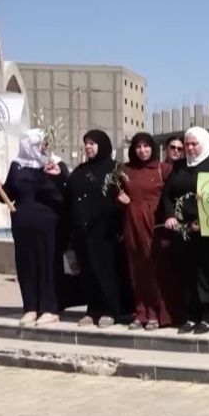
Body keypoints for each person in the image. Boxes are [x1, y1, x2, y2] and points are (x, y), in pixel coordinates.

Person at [0, 129, 68, 326]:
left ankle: (50, 308)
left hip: (48, 223)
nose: (42, 147)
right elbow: (8, 195)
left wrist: (57, 176)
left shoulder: (55, 163)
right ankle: (30, 307)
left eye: (44, 144)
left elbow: (67, 191)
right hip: (22, 223)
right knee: (26, 265)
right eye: (38, 144)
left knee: (48, 264)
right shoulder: (17, 166)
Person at [162, 126, 209, 335]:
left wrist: (202, 221)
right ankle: (191, 316)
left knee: (207, 274)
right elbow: (167, 195)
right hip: (183, 232)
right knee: (187, 274)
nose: (190, 148)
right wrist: (170, 216)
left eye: (194, 144)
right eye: (187, 144)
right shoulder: (179, 167)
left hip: (208, 232)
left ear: (204, 144)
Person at [116, 132, 178, 330]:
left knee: (154, 269)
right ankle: (140, 311)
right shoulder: (125, 170)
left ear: (153, 148)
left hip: (153, 223)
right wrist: (118, 197)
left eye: (146, 146)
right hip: (132, 223)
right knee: (136, 269)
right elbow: (113, 192)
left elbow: (172, 196)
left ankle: (154, 313)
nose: (142, 151)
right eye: (138, 147)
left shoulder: (163, 169)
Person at [69, 129, 125, 328]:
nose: (88, 147)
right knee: (88, 272)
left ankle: (111, 310)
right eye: (86, 143)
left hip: (107, 231)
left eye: (92, 143)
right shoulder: (80, 171)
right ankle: (93, 309)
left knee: (107, 271)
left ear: (103, 145)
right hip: (83, 232)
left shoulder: (116, 169)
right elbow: (68, 195)